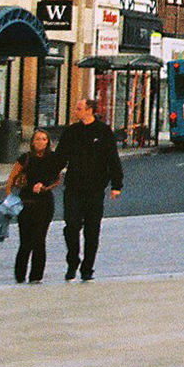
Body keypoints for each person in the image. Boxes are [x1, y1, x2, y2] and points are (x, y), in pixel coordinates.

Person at [57, 97, 122, 281]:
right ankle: (73, 261)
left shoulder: (103, 131)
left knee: (92, 231)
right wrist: (45, 176)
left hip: (94, 189)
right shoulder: (71, 132)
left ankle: (88, 268)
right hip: (74, 188)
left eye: (79, 108)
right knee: (71, 227)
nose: (76, 111)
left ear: (89, 110)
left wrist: (116, 185)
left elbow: (113, 159)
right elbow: (60, 158)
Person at [6, 128, 61, 284]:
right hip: (26, 203)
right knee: (25, 241)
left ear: (48, 142)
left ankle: (36, 276)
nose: (41, 142)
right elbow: (11, 179)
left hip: (44, 203)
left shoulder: (52, 159)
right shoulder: (25, 158)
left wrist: (44, 187)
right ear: (32, 142)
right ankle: (20, 275)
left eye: (44, 139)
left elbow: (57, 180)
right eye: (37, 139)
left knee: (39, 239)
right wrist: (9, 195)